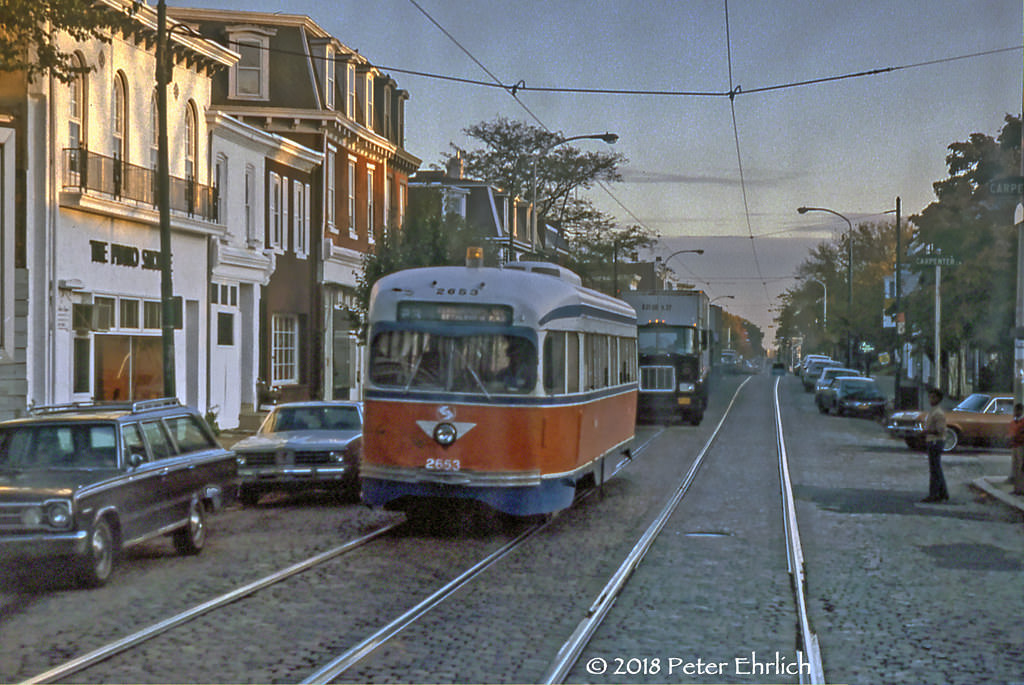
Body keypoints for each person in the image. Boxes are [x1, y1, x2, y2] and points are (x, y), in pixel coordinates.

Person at [921, 388, 949, 503]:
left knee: (934, 470)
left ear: (938, 399)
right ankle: (943, 493)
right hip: (932, 441)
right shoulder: (933, 411)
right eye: (930, 397)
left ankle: (934, 494)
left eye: (933, 397)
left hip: (935, 441)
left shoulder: (938, 413)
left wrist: (926, 432)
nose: (930, 399)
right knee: (936, 468)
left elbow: (940, 430)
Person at [1009, 402, 1024, 496]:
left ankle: (1021, 489)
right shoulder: (1014, 422)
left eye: (1016, 410)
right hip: (1015, 445)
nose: (1014, 412)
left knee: (1021, 468)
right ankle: (1017, 488)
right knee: (1016, 467)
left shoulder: (1021, 422)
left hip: (1021, 445)